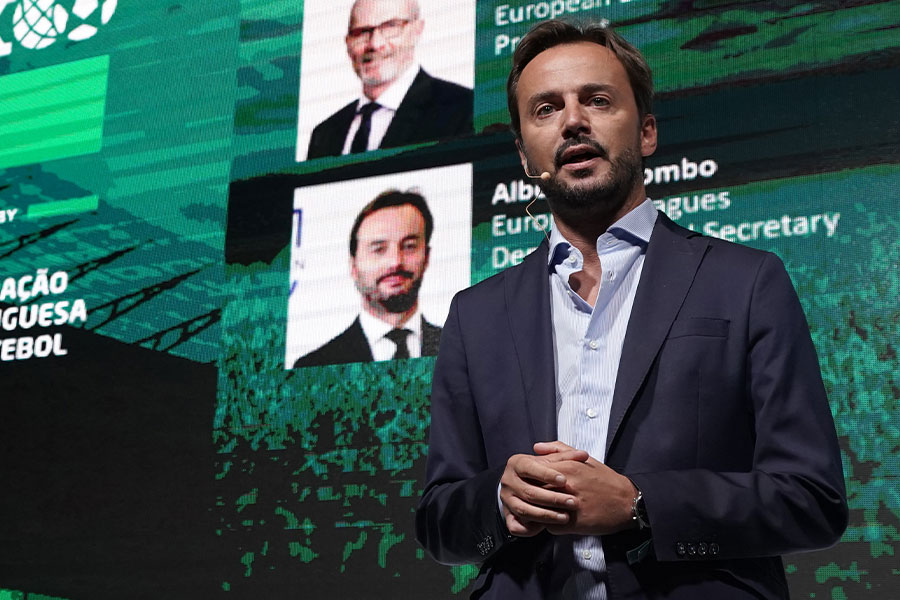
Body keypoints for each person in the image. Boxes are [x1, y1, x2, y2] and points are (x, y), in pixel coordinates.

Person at [415, 20, 847, 600]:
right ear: (523, 153)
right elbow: (439, 521)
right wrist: (499, 499)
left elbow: (812, 500)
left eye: (597, 100)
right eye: (545, 109)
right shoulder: (476, 314)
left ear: (646, 132)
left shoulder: (746, 282)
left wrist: (640, 505)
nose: (572, 121)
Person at [305, 0, 473, 159]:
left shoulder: (463, 109)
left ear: (417, 30)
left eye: (391, 26)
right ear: (348, 43)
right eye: (362, 32)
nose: (375, 44)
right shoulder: (324, 134)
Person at [294, 190, 441, 368]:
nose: (395, 262)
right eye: (379, 249)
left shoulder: (464, 348)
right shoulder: (313, 366)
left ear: (426, 257)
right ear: (353, 266)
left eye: (409, 246)